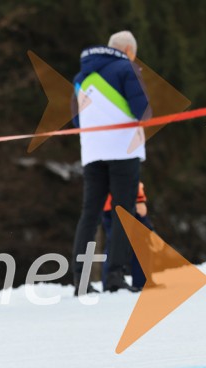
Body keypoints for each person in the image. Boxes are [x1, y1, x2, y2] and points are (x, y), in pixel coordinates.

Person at [72, 30, 150, 295]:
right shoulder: (126, 68)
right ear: (128, 50)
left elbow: (76, 121)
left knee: (90, 213)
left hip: (92, 152)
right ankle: (114, 276)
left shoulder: (81, 76)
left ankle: (80, 281)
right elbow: (142, 110)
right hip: (123, 150)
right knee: (123, 212)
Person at [101, 182, 152, 290]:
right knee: (141, 240)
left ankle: (110, 282)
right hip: (124, 202)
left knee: (113, 242)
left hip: (109, 203)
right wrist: (139, 199)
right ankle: (140, 281)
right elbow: (127, 173)